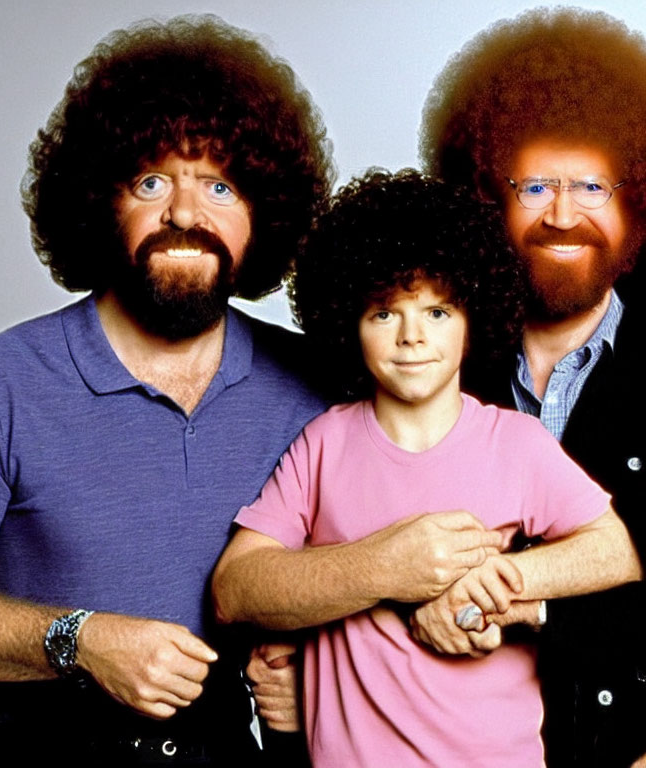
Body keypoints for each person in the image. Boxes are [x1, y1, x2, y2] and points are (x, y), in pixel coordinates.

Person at [0, 14, 337, 766]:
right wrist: (80, 639)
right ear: (100, 199)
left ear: (265, 214)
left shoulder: (312, 383)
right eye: (151, 181)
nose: (186, 214)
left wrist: (313, 673)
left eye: (220, 185)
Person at [212, 169, 642, 768]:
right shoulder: (323, 443)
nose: (412, 337)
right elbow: (235, 591)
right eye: (385, 313)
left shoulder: (515, 442)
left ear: (474, 319)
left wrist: (497, 584)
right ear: (348, 321)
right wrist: (386, 567)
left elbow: (615, 547)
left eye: (438, 313)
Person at [417, 7, 646, 767]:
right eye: (536, 184)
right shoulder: (433, 364)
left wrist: (530, 601)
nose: (562, 215)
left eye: (592, 186)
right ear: (488, 195)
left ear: (637, 203)